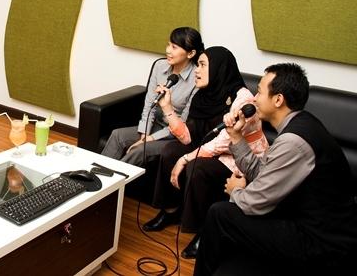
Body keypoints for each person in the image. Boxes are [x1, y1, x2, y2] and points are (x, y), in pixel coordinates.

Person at [194, 63, 357, 275]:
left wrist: (236, 190)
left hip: (321, 241)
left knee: (220, 213)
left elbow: (253, 202)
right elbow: (261, 173)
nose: (254, 98)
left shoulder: (293, 142)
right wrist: (236, 137)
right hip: (298, 218)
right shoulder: (299, 124)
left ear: (278, 99)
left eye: (259, 92)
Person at [143, 46, 268, 259]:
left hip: (237, 157)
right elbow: (187, 137)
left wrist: (185, 159)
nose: (197, 70)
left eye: (202, 65)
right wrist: (167, 107)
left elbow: (222, 143)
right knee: (170, 150)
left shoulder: (243, 99)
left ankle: (206, 231)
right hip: (212, 148)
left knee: (197, 167)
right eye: (198, 65)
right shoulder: (203, 95)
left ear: (219, 69)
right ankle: (172, 210)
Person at [101, 27, 204, 166]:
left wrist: (150, 139)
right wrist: (144, 134)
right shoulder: (159, 66)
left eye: (174, 47)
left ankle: (118, 180)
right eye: (168, 44)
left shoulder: (197, 78)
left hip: (173, 135)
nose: (168, 50)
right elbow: (149, 104)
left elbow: (183, 124)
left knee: (139, 150)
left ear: (191, 53)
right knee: (117, 135)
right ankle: (94, 174)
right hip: (154, 125)